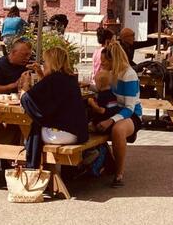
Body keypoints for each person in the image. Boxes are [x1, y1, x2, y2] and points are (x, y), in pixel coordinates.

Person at [20, 46, 89, 167]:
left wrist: (25, 85)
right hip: (77, 132)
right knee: (33, 130)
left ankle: (30, 167)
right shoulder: (70, 78)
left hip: (61, 134)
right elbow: (51, 93)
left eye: (45, 61)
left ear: (51, 62)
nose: (44, 64)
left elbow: (27, 100)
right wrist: (41, 75)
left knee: (28, 134)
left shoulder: (53, 79)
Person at [94, 41, 142, 188]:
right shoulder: (111, 72)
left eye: (104, 62)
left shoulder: (128, 75)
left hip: (131, 114)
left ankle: (118, 172)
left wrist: (110, 120)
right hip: (113, 109)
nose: (101, 65)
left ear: (112, 61)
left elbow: (129, 107)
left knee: (118, 129)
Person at [87, 48, 119, 124]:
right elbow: (101, 88)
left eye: (104, 61)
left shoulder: (115, 76)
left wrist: (92, 103)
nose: (101, 63)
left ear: (112, 60)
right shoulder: (108, 85)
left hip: (107, 119)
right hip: (113, 113)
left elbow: (101, 110)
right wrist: (89, 85)